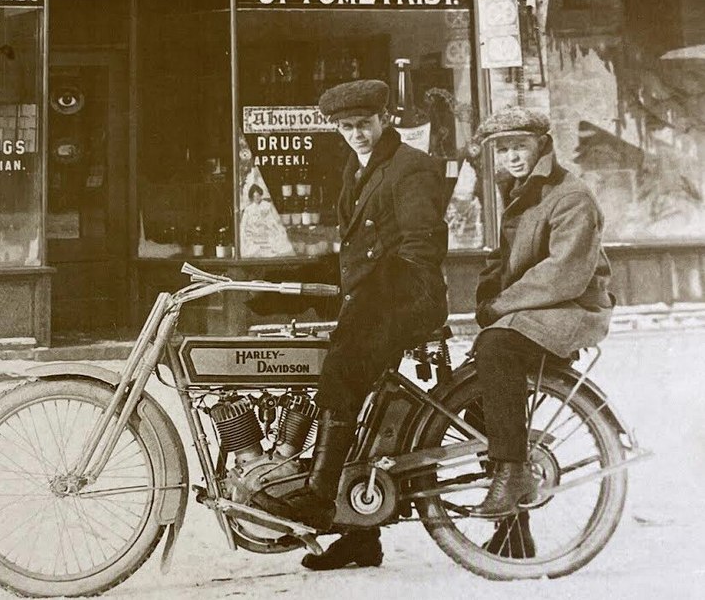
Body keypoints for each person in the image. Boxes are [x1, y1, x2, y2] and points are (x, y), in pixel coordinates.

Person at [252, 79, 449, 569]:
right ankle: (361, 537)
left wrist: (368, 298)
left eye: (363, 124)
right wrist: (275, 285)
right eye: (346, 128)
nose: (356, 134)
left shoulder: (412, 167)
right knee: (357, 400)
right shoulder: (359, 168)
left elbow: (421, 249)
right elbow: (355, 252)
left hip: (409, 296)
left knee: (340, 374)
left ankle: (319, 498)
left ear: (384, 119)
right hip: (379, 294)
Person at [470, 106, 615, 519]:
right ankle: (511, 528)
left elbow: (562, 273)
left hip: (574, 308)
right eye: (503, 150)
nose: (513, 157)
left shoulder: (570, 195)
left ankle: (513, 475)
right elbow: (506, 259)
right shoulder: (518, 190)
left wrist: (500, 306)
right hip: (538, 308)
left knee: (496, 348)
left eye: (520, 147)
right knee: (479, 400)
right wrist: (486, 297)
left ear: (541, 145)